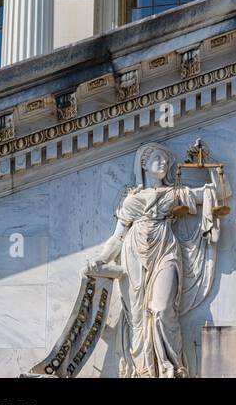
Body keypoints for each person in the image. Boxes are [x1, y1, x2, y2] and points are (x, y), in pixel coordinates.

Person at [85, 142, 228, 377]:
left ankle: (171, 366)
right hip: (135, 255)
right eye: (158, 159)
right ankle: (145, 369)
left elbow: (217, 194)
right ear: (144, 164)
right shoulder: (131, 200)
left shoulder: (174, 193)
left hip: (165, 251)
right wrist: (101, 258)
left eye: (166, 160)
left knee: (162, 309)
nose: (164, 163)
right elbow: (118, 237)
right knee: (138, 316)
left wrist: (211, 165)